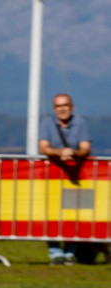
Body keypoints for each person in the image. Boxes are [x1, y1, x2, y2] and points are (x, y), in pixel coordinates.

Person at [39, 93, 92, 265]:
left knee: (75, 213)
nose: (62, 109)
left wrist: (74, 154)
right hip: (51, 177)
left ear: (72, 107)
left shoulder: (81, 123)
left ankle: (71, 252)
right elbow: (44, 147)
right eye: (58, 106)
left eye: (65, 105)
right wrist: (60, 152)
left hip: (75, 177)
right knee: (51, 213)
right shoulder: (47, 123)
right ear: (54, 109)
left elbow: (85, 147)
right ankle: (55, 252)